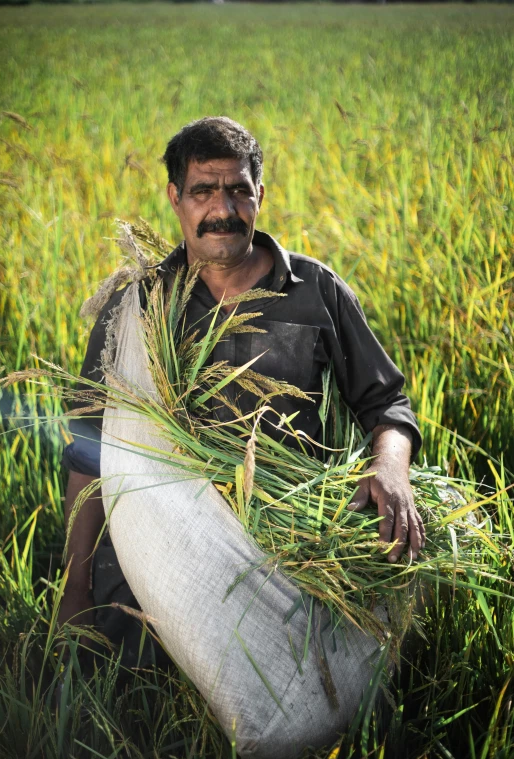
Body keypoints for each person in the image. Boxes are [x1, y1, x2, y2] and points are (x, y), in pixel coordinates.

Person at [58, 116, 425, 667]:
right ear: (176, 198)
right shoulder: (138, 309)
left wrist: (391, 469)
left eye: (237, 191)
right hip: (161, 550)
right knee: (127, 691)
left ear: (260, 195)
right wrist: (75, 586)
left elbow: (386, 404)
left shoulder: (315, 292)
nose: (222, 210)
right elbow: (90, 450)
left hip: (286, 546)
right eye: (203, 191)